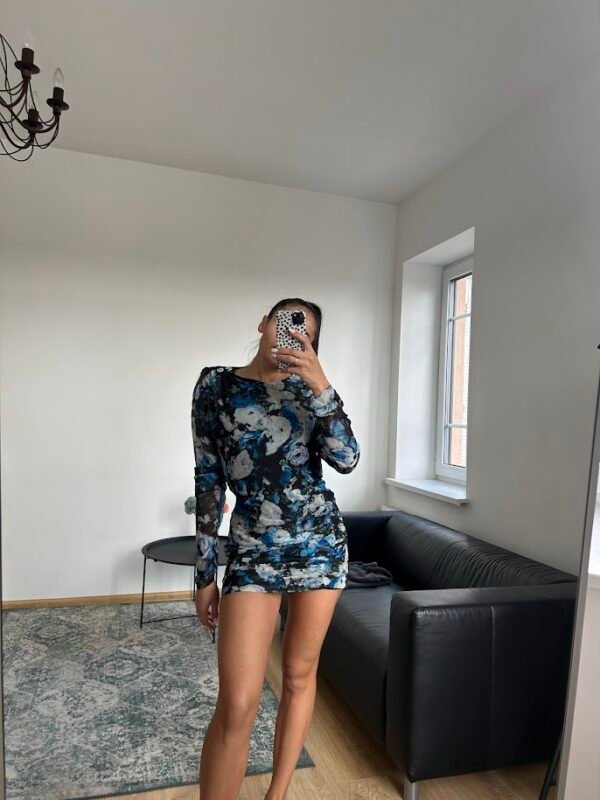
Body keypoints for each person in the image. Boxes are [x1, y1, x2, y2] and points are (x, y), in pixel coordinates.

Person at [191, 297, 360, 800]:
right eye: (285, 322)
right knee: (238, 702)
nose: (290, 335)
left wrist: (321, 385)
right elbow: (208, 479)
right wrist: (205, 573)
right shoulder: (215, 386)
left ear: (313, 345)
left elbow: (347, 459)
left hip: (319, 546)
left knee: (299, 675)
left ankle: (278, 794)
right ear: (264, 323)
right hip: (251, 550)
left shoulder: (311, 392)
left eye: (304, 332)